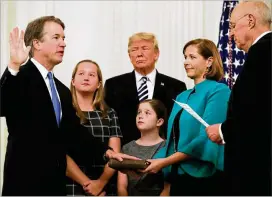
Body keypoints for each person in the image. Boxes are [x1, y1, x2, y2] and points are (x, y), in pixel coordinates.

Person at [0, 16, 138, 196]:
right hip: (25, 183)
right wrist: (13, 66)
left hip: (55, 186)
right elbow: (3, 105)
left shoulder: (61, 90)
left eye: (63, 38)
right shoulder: (20, 76)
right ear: (37, 43)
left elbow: (74, 133)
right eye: (56, 38)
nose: (63, 43)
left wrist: (108, 154)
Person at [141, 39, 230, 195]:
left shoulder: (219, 91)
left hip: (204, 178)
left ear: (209, 61)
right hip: (178, 177)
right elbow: (172, 141)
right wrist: (140, 163)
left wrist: (164, 162)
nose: (186, 62)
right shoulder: (182, 96)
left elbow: (207, 137)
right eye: (185, 57)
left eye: (192, 57)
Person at [206, 1, 272, 195]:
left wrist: (223, 130)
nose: (230, 34)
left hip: (257, 169)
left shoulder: (261, 52)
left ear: (251, 20)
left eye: (233, 26)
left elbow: (255, 110)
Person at [104, 32, 186, 145]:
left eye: (145, 48)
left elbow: (179, 125)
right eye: (134, 50)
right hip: (124, 152)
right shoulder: (113, 84)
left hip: (164, 152)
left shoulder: (176, 86)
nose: (139, 54)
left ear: (156, 54)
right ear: (129, 56)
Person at [66, 59, 122, 196]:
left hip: (104, 188)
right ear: (73, 81)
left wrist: (100, 184)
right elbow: (58, 154)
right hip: (70, 185)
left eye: (91, 75)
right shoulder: (64, 111)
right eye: (81, 74)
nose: (86, 78)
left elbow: (115, 155)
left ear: (99, 84)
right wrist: (88, 185)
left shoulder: (109, 113)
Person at [117, 99, 170, 196]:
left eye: (147, 113)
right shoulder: (127, 148)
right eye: (139, 112)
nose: (140, 116)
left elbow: (168, 187)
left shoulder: (167, 147)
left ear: (159, 121)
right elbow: (122, 186)